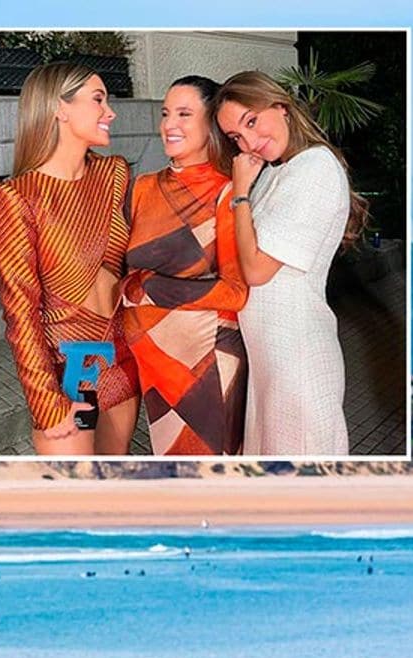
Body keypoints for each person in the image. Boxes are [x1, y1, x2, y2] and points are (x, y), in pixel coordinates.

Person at [0, 62, 138, 455]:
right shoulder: (17, 197)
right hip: (69, 374)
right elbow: (20, 312)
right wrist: (45, 401)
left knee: (115, 487)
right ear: (60, 108)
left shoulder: (115, 174)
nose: (110, 112)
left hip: (121, 360)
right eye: (98, 99)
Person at [216, 70, 365, 455]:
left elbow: (256, 270)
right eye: (236, 137)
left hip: (297, 356)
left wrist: (241, 194)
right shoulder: (275, 171)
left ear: (280, 106)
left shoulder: (314, 167)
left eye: (251, 121)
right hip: (271, 358)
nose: (249, 142)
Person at [116, 75, 249, 455]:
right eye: (165, 113)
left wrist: (146, 287)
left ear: (211, 124)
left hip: (206, 361)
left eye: (184, 114)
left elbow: (236, 292)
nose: (169, 124)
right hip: (154, 362)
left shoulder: (228, 193)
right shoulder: (141, 186)